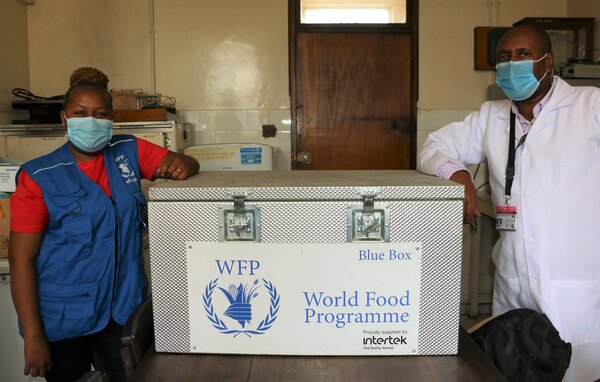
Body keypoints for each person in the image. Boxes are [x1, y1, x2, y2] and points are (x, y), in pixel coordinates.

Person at [418, 25, 600, 382]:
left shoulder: (590, 106)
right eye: (504, 57)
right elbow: (433, 147)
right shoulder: (491, 115)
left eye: (522, 55)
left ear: (548, 62)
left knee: (580, 373)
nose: (511, 64)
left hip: (576, 290)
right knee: (516, 371)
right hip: (513, 286)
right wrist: (459, 175)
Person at [8, 77, 200, 382]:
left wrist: (187, 164)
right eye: (80, 113)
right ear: (64, 118)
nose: (91, 121)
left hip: (123, 312)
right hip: (64, 319)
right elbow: (20, 263)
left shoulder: (128, 151)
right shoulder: (39, 176)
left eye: (100, 114)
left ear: (112, 118)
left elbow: (182, 161)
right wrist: (33, 338)